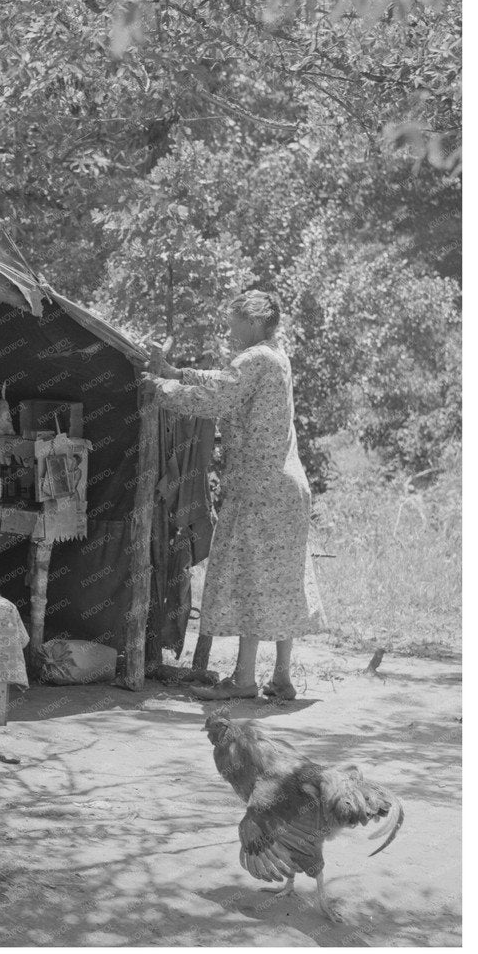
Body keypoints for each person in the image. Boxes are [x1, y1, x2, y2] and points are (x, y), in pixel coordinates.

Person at [145, 290, 324, 700]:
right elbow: (226, 383)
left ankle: (243, 680)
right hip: (287, 487)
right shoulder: (276, 355)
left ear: (255, 321)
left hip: (259, 489)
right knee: (281, 579)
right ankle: (281, 677)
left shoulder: (255, 358)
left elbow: (218, 398)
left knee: (252, 577)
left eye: (235, 321)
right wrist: (177, 371)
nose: (230, 329)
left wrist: (161, 388)